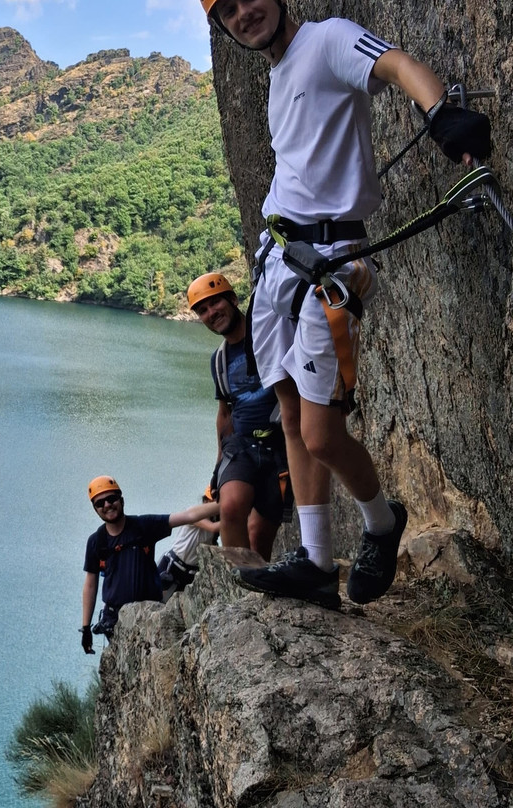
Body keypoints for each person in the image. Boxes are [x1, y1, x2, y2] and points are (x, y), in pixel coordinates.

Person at [199, 0, 491, 608]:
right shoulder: (277, 77)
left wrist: (441, 112)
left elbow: (396, 63)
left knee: (322, 434)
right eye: (227, 11)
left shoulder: (328, 40)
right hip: (280, 258)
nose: (243, 14)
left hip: (331, 262)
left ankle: (382, 523)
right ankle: (315, 561)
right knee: (289, 412)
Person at [188, 272, 290, 562]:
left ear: (233, 299)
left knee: (259, 537)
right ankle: (240, 582)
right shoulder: (219, 360)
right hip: (242, 445)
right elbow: (225, 413)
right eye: (203, 310)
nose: (211, 313)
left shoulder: (268, 334)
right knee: (230, 508)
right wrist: (219, 464)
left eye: (215, 303)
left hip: (281, 445)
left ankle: (256, 583)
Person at [81, 475, 219, 653]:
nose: (107, 505)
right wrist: (86, 627)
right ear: (95, 509)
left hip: (150, 613)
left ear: (121, 500)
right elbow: (90, 584)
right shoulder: (96, 541)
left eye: (111, 498)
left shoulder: (143, 526)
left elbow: (188, 515)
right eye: (100, 503)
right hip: (115, 619)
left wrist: (232, 500)